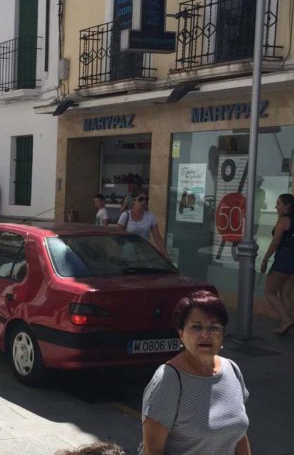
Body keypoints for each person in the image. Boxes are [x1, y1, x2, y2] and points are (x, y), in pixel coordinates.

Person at [141, 290, 250, 455]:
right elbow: (152, 451)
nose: (205, 334)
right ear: (181, 334)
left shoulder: (232, 369)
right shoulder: (169, 379)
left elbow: (239, 436)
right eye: (196, 327)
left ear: (223, 335)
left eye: (213, 327)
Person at [260, 193, 294, 336]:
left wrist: (265, 258)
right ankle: (284, 325)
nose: (276, 206)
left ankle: (286, 320)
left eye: (279, 204)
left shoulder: (283, 220)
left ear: (287, 206)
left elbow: (276, 242)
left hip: (283, 260)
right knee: (285, 294)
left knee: (269, 292)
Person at [117, 193, 169, 257]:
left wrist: (166, 255)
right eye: (141, 199)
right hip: (128, 253)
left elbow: (158, 238)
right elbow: (117, 235)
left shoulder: (150, 216)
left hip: (144, 254)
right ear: (134, 201)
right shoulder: (125, 215)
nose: (144, 201)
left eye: (146, 199)